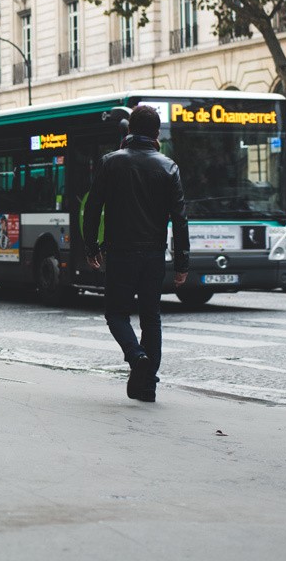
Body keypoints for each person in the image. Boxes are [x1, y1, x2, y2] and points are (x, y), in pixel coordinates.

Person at [82, 105, 189, 403]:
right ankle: (148, 386)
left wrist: (91, 246)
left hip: (120, 253)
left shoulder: (111, 163)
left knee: (116, 314)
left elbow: (93, 209)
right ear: (156, 134)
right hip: (154, 255)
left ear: (129, 130)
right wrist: (182, 263)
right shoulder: (169, 167)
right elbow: (180, 218)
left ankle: (136, 354)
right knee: (151, 318)